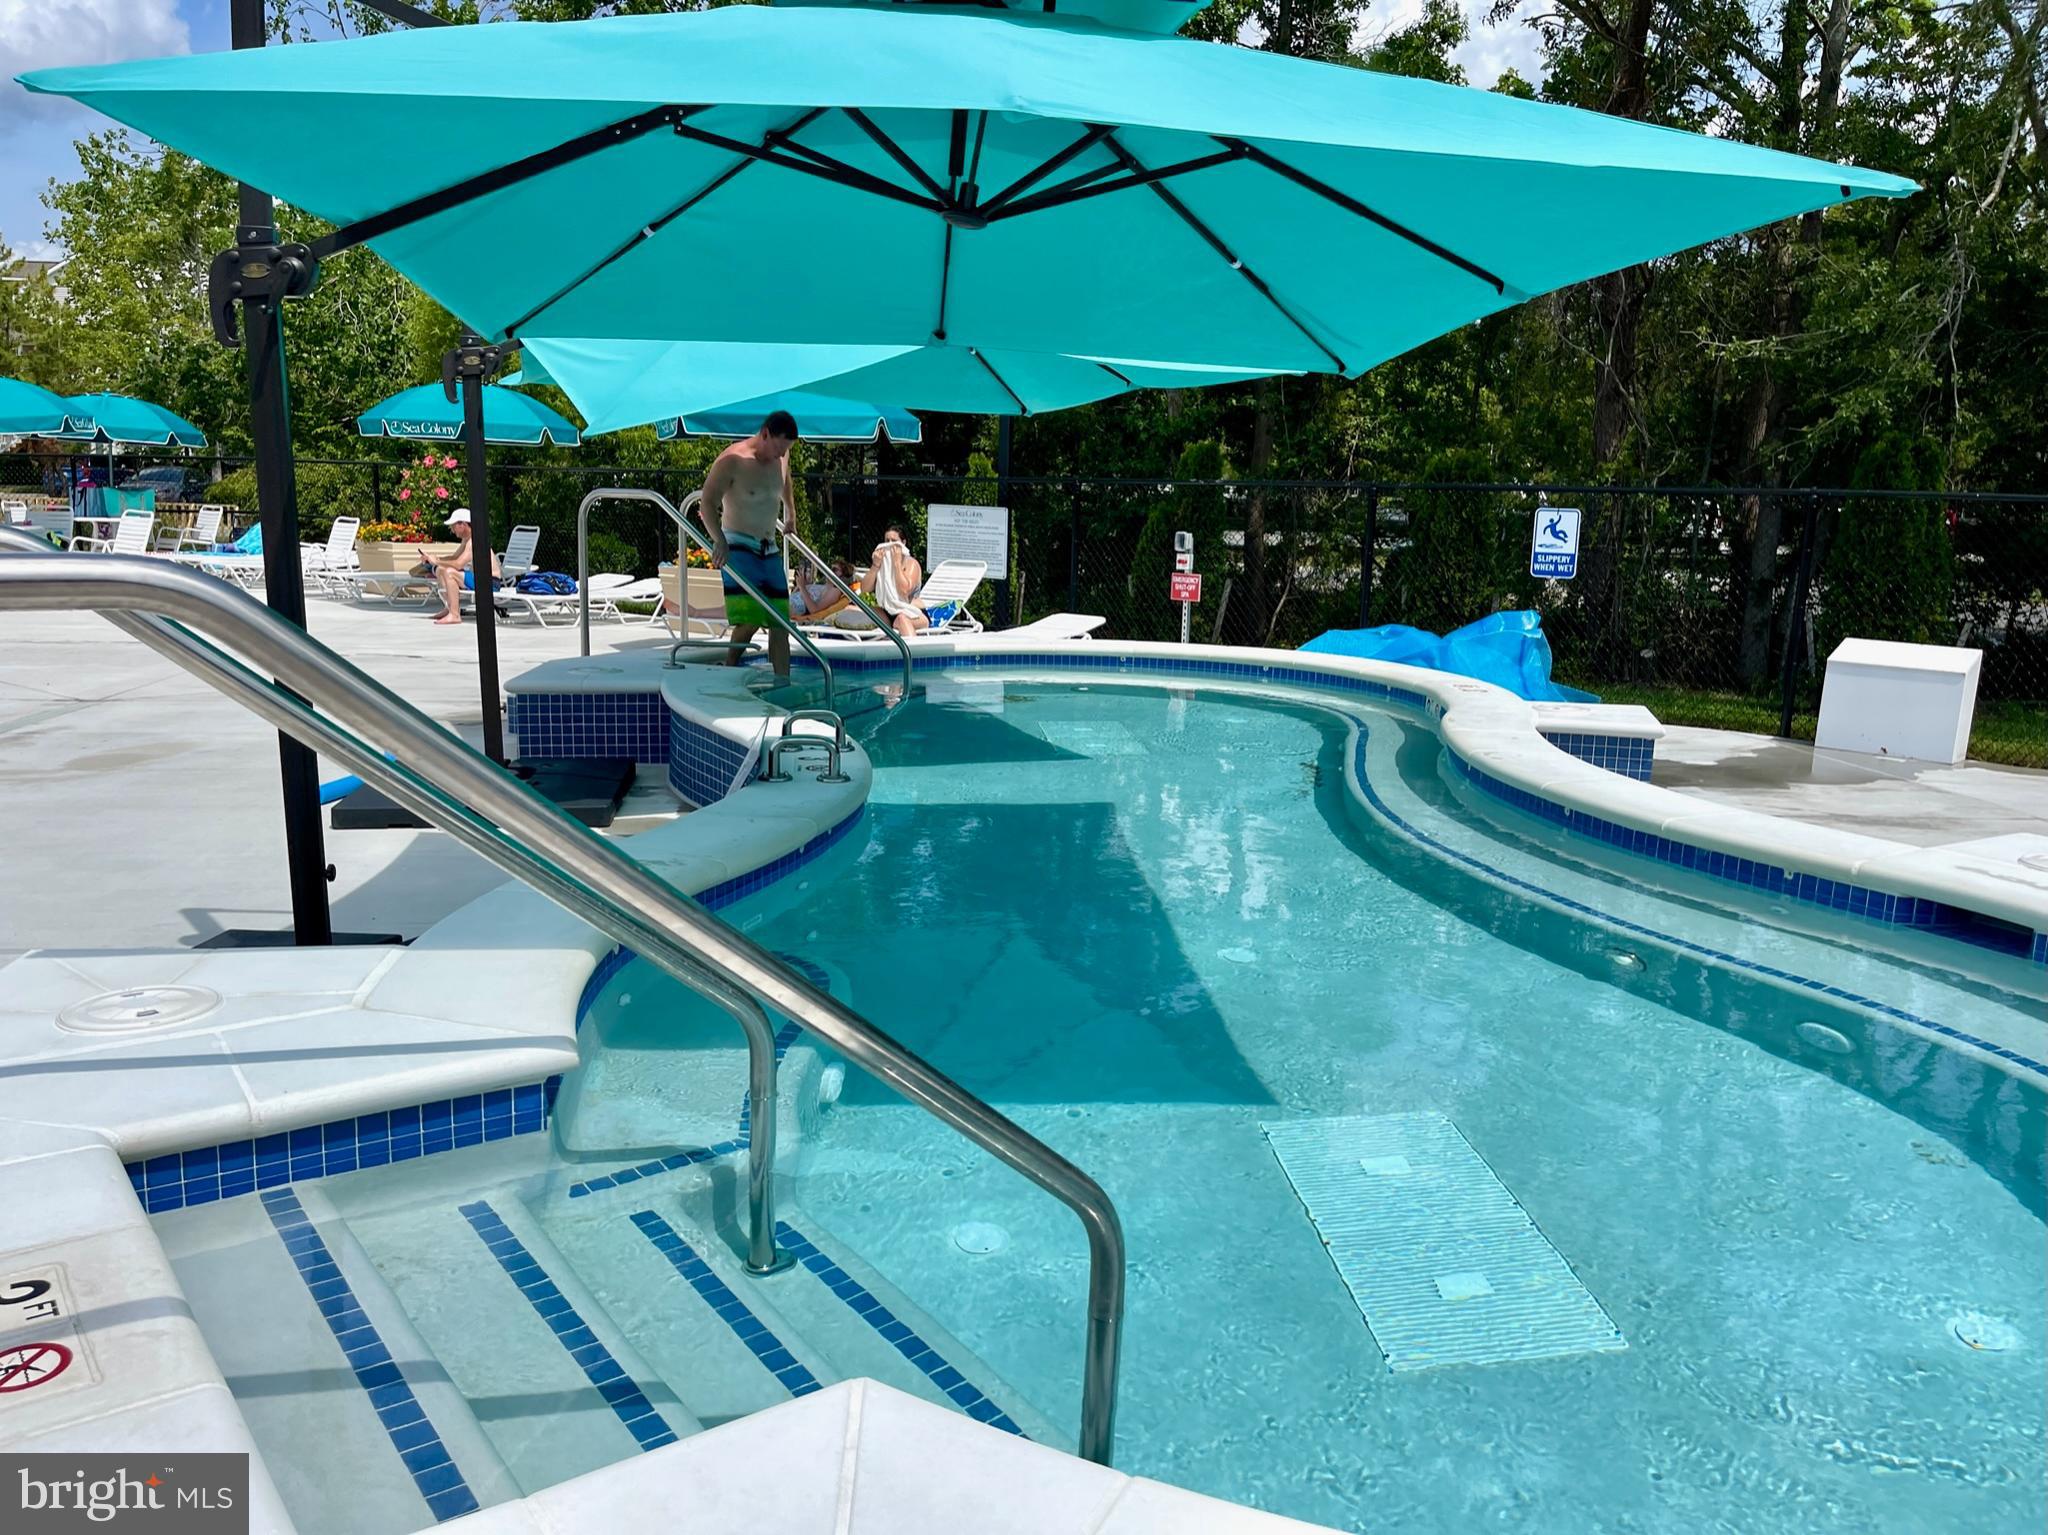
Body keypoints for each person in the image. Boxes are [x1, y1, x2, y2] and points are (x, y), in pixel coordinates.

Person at [699, 410, 799, 675]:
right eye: (778, 448)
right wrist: (718, 540)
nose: (780, 456)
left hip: (769, 546)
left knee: (781, 622)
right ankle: (730, 666)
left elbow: (786, 478)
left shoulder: (782, 455)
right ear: (764, 433)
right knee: (750, 618)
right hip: (738, 545)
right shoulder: (732, 461)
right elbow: (706, 503)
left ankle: (783, 684)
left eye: (785, 451)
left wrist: (791, 511)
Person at [422, 507, 501, 627]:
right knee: (441, 570)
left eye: (453, 526)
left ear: (463, 524)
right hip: (480, 579)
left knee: (449, 572)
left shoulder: (474, 540)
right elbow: (454, 557)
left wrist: (437, 561)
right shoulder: (467, 539)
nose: (452, 530)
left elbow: (459, 564)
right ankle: (449, 608)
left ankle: (455, 614)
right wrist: (434, 559)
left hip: (489, 583)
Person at [866, 525, 929, 637]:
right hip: (888, 611)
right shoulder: (883, 564)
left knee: (901, 619)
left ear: (903, 543)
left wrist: (897, 564)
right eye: (887, 541)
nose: (889, 545)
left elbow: (904, 591)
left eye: (894, 541)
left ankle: (912, 654)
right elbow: (865, 588)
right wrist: (875, 565)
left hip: (912, 613)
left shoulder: (911, 564)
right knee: (855, 611)